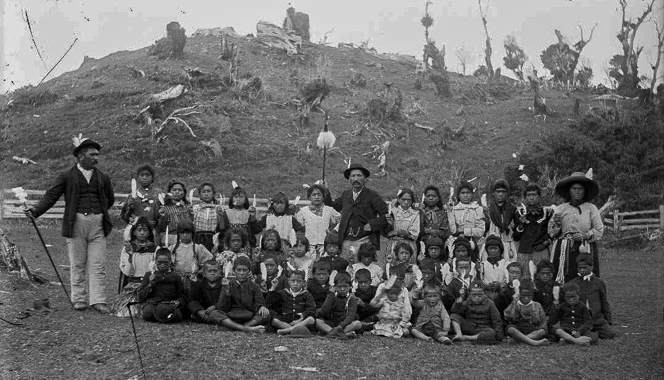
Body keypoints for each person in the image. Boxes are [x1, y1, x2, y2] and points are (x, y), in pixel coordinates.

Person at [26, 136, 115, 312]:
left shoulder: (103, 177)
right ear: (81, 156)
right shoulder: (66, 176)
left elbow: (109, 199)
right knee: (78, 263)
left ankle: (98, 300)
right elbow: (51, 196)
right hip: (76, 224)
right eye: (92, 155)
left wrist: (98, 213)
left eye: (97, 155)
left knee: (98, 264)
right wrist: (36, 211)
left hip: (98, 225)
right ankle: (79, 299)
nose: (96, 158)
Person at [325, 163, 388, 262]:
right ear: (349, 179)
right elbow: (334, 206)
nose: (356, 179)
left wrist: (372, 224)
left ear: (365, 178)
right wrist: (326, 191)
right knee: (344, 269)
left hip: (365, 241)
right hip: (346, 240)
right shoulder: (346, 195)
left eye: (359, 175)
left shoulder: (373, 195)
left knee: (363, 270)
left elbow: (386, 215)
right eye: (353, 176)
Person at [549, 170, 604, 283]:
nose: (577, 192)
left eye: (580, 189)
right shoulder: (561, 208)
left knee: (585, 277)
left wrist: (585, 235)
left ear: (585, 191)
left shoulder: (591, 208)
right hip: (563, 249)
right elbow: (551, 230)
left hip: (585, 247)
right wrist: (557, 225)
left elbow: (599, 229)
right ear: (569, 191)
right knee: (563, 277)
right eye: (574, 189)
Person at [111, 216, 156, 317]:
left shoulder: (154, 249)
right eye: (139, 230)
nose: (142, 233)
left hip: (148, 285)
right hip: (133, 285)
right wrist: (131, 256)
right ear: (134, 232)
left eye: (145, 230)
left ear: (149, 232)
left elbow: (154, 270)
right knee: (126, 312)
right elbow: (127, 272)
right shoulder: (128, 248)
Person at [566, 253, 615, 339]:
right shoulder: (574, 283)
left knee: (610, 334)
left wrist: (608, 320)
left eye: (584, 268)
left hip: (597, 318)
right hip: (581, 319)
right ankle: (589, 333)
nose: (582, 270)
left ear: (591, 267)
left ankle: (593, 332)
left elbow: (604, 302)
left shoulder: (599, 282)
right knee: (579, 332)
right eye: (579, 268)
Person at [217, 256, 271, 330]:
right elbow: (222, 308)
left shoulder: (254, 286)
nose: (241, 273)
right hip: (232, 315)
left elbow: (259, 301)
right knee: (215, 314)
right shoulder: (228, 284)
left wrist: (261, 306)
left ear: (249, 271)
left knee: (266, 314)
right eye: (238, 270)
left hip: (249, 316)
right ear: (234, 271)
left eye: (244, 270)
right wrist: (227, 291)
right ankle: (244, 328)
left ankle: (245, 325)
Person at [513, 183, 554, 279]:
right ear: (525, 197)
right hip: (524, 250)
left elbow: (553, 233)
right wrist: (521, 224)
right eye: (529, 195)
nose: (531, 198)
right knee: (525, 278)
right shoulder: (519, 213)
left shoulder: (547, 212)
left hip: (542, 250)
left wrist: (545, 243)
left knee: (542, 277)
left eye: (534, 195)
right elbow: (515, 237)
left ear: (539, 196)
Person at [136, 248, 186, 323]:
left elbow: (182, 295)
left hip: (169, 304)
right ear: (155, 261)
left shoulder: (176, 276)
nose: (162, 265)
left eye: (165, 263)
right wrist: (150, 284)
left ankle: (162, 314)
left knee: (174, 314)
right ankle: (162, 315)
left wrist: (178, 301)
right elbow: (140, 296)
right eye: (159, 262)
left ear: (170, 262)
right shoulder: (149, 275)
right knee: (147, 314)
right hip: (153, 303)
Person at [167, 220, 213, 294]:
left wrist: (198, 273)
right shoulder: (172, 248)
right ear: (178, 234)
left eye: (188, 233)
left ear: (192, 233)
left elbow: (209, 262)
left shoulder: (198, 248)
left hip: (193, 280)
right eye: (182, 233)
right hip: (176, 280)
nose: (185, 235)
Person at [315, 271, 363, 338]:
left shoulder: (352, 299)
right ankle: (342, 334)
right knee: (318, 321)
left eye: (345, 286)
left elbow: (350, 317)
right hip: (332, 324)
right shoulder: (332, 296)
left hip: (345, 325)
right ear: (335, 287)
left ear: (350, 287)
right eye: (339, 286)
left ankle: (332, 334)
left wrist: (340, 326)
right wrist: (330, 295)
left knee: (357, 324)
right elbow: (324, 312)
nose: (342, 289)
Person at [295, 183, 340, 254]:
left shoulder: (329, 210)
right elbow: (297, 226)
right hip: (309, 246)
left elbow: (342, 221)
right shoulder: (303, 211)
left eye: (319, 194)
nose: (316, 197)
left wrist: (334, 231)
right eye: (314, 195)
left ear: (323, 197)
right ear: (309, 197)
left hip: (325, 246)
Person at [269, 270, 317, 335]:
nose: (295, 284)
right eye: (293, 281)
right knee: (274, 321)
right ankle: (297, 330)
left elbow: (311, 308)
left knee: (311, 319)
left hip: (300, 319)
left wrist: (300, 318)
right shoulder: (283, 293)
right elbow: (270, 302)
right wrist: (273, 287)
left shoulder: (306, 294)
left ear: (303, 282)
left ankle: (286, 330)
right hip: (286, 319)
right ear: (288, 281)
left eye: (299, 281)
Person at [503, 279, 549, 346]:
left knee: (542, 331)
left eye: (529, 295)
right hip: (518, 329)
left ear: (532, 295)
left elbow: (543, 322)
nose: (526, 298)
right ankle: (533, 342)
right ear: (519, 294)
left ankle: (521, 340)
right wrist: (514, 303)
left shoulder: (537, 305)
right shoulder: (515, 303)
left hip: (532, 329)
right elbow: (508, 317)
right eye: (523, 295)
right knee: (511, 329)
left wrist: (542, 329)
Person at [119, 164, 160, 240]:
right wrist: (129, 211)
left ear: (152, 178)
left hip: (153, 232)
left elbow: (162, 217)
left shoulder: (158, 195)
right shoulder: (132, 196)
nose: (144, 177)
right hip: (136, 232)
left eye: (147, 175)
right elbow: (124, 215)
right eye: (142, 175)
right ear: (138, 178)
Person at [447, 181, 485, 262]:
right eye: (463, 193)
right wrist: (449, 212)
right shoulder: (454, 209)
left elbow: (481, 231)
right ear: (459, 195)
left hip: (473, 243)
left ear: (472, 194)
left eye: (468, 193)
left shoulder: (477, 209)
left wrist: (463, 230)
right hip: (457, 243)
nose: (465, 195)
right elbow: (453, 230)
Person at [482, 179, 518, 262]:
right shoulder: (488, 209)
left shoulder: (512, 209)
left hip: (507, 244)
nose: (500, 194)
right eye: (498, 191)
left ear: (507, 193)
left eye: (503, 191)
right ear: (493, 193)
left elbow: (516, 231)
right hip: (491, 243)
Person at [383, 188, 420, 265]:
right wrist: (389, 224)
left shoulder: (415, 214)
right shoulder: (392, 212)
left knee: (409, 268)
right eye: (403, 199)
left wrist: (397, 232)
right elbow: (386, 232)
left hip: (409, 245)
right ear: (399, 199)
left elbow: (414, 233)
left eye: (409, 200)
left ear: (412, 201)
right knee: (392, 266)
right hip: (394, 244)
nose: (406, 202)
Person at [156, 179, 193, 246]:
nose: (177, 192)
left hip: (186, 237)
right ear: (169, 192)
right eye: (174, 190)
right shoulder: (164, 207)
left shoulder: (188, 207)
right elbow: (161, 227)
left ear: (184, 193)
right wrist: (162, 216)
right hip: (170, 238)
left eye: (180, 190)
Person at [418, 185, 451, 259]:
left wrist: (429, 230)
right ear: (425, 198)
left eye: (433, 196)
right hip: (423, 246)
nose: (430, 198)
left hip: (438, 246)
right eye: (428, 196)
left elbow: (445, 232)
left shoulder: (443, 213)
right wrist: (422, 213)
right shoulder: (420, 212)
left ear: (438, 198)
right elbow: (419, 230)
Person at [192, 182, 225, 251]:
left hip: (213, 238)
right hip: (198, 238)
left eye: (209, 191)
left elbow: (222, 226)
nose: (206, 194)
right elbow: (192, 224)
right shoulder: (195, 208)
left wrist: (221, 216)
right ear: (200, 195)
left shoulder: (218, 208)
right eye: (203, 192)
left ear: (213, 194)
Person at [478, 235, 509, 302]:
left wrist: (500, 285)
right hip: (487, 294)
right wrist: (487, 286)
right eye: (490, 248)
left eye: (495, 248)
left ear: (500, 250)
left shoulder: (506, 263)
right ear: (487, 250)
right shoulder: (482, 264)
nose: (493, 251)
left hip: (502, 295)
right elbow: (480, 280)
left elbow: (508, 280)